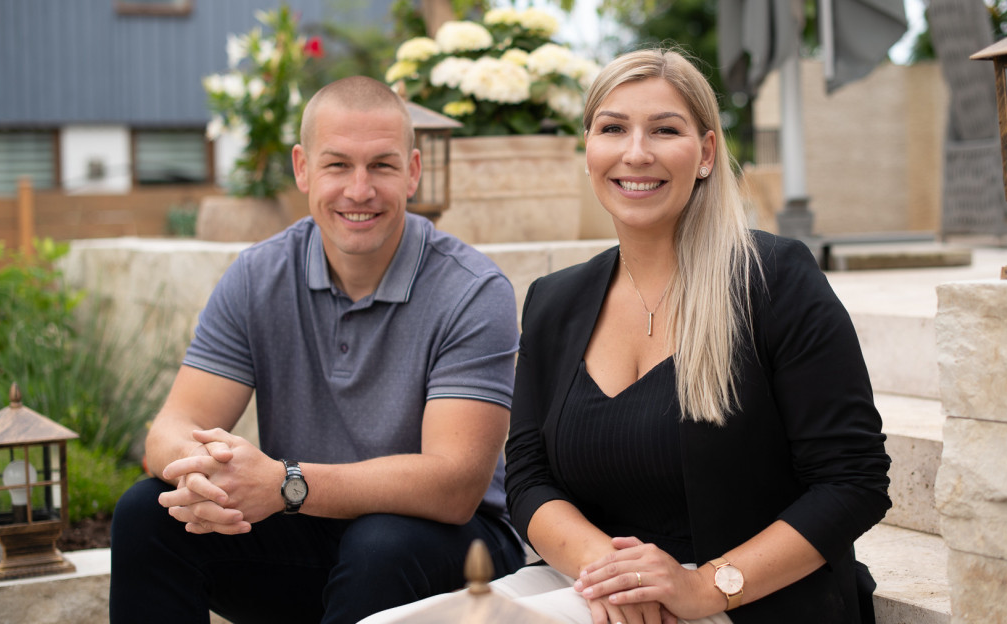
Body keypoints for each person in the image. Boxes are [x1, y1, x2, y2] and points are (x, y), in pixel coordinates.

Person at [360, 48, 891, 624]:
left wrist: (706, 587)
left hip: (750, 601)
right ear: (588, 147)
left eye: (665, 130)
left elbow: (853, 480)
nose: (636, 153)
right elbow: (530, 478)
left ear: (707, 153)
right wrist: (615, 574)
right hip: (593, 592)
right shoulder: (554, 301)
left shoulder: (773, 279)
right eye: (613, 128)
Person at [108, 75, 525, 624]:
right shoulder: (258, 275)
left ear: (413, 172)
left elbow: (454, 485)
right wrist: (204, 472)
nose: (359, 190)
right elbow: (170, 428)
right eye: (337, 165)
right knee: (146, 514)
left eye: (381, 165)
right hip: (310, 533)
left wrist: (284, 484)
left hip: (455, 547)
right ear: (303, 168)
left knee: (380, 544)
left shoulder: (471, 290)